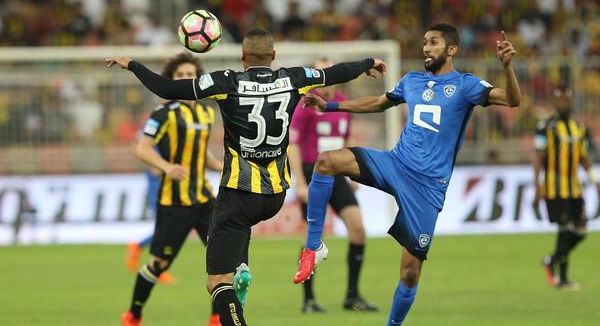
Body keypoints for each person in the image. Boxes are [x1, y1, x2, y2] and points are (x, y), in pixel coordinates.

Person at [106, 27, 386, 326]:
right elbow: (336, 73)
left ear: (242, 56)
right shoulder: (293, 78)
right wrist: (368, 62)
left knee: (216, 282)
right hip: (276, 194)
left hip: (239, 194)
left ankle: (235, 278)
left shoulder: (227, 82)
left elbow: (168, 89)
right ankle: (242, 267)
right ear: (274, 56)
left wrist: (133, 65)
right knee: (236, 241)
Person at [294, 24, 521, 326]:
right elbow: (377, 103)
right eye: (425, 41)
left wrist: (507, 67)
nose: (426, 47)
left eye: (434, 42)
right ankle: (313, 247)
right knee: (326, 162)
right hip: (395, 164)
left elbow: (512, 99)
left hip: (427, 188)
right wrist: (329, 106)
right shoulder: (412, 81)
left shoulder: (466, 85)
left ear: (451, 50)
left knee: (410, 272)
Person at [116, 52, 224, 326]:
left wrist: (222, 167)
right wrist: (166, 167)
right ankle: (134, 315)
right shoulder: (162, 114)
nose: (186, 79)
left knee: (223, 261)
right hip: (173, 203)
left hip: (204, 200)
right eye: (180, 76)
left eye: (190, 75)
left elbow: (202, 156)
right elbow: (142, 148)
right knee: (159, 264)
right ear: (172, 80)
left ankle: (216, 317)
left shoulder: (206, 112)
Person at [289, 58, 377, 313]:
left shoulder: (339, 101)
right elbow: (293, 144)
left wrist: (351, 173)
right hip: (311, 172)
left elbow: (344, 139)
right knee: (313, 238)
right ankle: (308, 300)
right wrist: (301, 182)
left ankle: (353, 296)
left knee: (358, 230)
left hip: (337, 173)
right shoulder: (306, 102)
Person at [533, 82, 598, 290]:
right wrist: (537, 186)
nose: (563, 104)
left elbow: (584, 158)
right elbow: (539, 158)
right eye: (559, 100)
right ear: (554, 102)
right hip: (554, 189)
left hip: (575, 188)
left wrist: (594, 180)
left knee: (581, 231)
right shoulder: (545, 127)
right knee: (564, 230)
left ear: (571, 101)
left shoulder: (580, 128)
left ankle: (551, 261)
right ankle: (563, 278)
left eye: (566, 100)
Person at [125, 146, 177, 285]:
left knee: (167, 230)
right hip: (158, 194)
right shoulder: (155, 139)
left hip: (164, 193)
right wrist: (172, 166)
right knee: (166, 230)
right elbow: (155, 169)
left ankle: (138, 248)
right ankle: (156, 267)